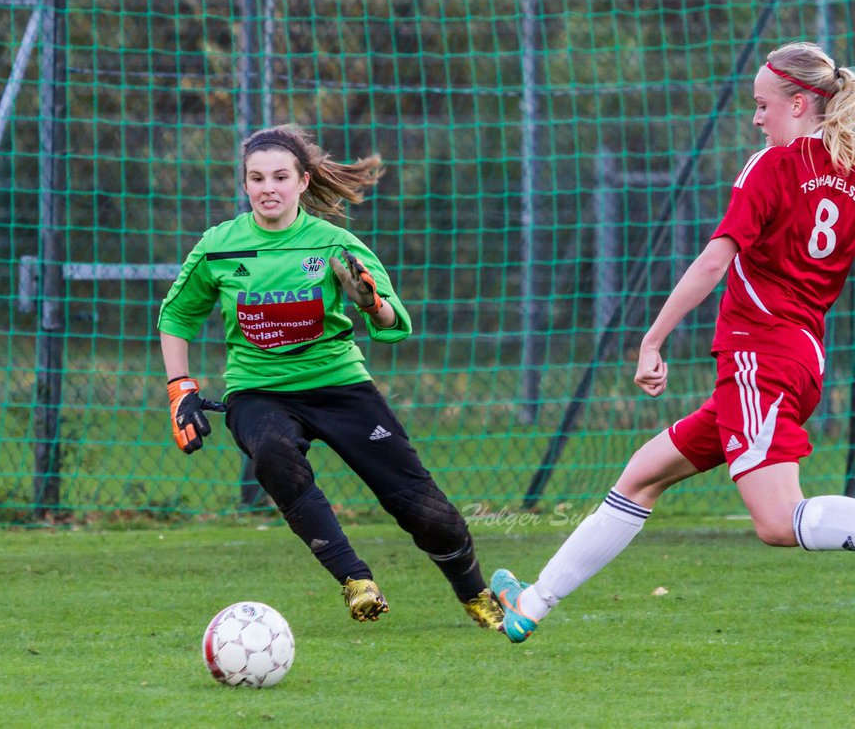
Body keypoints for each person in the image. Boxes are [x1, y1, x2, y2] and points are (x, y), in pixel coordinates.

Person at [491, 41, 855, 643]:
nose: (756, 118)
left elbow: (715, 261)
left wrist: (652, 339)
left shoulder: (771, 166)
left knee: (775, 520)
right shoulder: (848, 174)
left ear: (799, 102)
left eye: (763, 106)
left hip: (757, 359)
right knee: (642, 475)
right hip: (796, 361)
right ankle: (531, 602)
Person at [158, 123, 502, 629]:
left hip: (340, 386)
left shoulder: (335, 244)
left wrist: (371, 303)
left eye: (279, 177)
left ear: (302, 182)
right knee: (274, 455)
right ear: (245, 184)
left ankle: (476, 595)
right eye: (256, 178)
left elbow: (393, 325)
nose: (267, 188)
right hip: (259, 392)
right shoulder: (218, 247)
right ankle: (355, 579)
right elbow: (177, 316)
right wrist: (180, 389)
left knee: (426, 512)